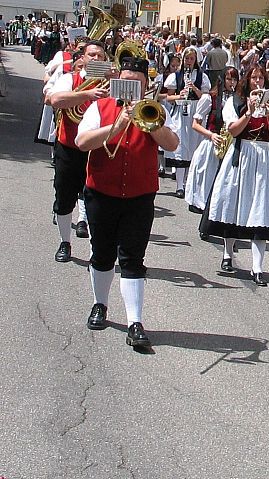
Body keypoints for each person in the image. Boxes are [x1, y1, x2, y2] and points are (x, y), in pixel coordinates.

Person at [75, 57, 179, 348]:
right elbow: (83, 143)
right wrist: (118, 125)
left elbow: (172, 144)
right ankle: (100, 304)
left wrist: (150, 124)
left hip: (139, 195)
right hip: (102, 193)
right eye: (126, 82)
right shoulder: (100, 107)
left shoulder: (155, 111)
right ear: (116, 82)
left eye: (137, 84)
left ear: (145, 86)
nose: (131, 88)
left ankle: (135, 321)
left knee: (133, 258)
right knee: (102, 253)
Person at [206, 65, 269, 286]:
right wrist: (249, 112)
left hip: (262, 158)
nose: (258, 81)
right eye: (254, 78)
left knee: (261, 209)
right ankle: (228, 253)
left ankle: (257, 267)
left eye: (261, 78)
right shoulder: (235, 102)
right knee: (234, 204)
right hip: (241, 154)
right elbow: (233, 131)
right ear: (247, 81)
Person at [48, 40, 111, 263]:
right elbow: (55, 99)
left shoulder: (111, 84)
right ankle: (65, 242)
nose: (96, 59)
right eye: (91, 55)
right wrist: (87, 95)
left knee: (99, 201)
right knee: (64, 197)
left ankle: (96, 249)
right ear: (82, 58)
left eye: (100, 56)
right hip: (69, 147)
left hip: (98, 149)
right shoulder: (70, 78)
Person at [185, 66, 239, 214]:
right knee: (207, 183)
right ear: (222, 80)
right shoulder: (209, 98)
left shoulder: (238, 100)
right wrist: (211, 135)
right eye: (229, 78)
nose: (232, 82)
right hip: (212, 144)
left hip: (230, 145)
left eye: (234, 79)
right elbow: (195, 124)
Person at [163, 47, 211, 197]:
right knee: (181, 147)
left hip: (194, 112)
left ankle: (190, 183)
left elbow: (205, 96)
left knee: (194, 146)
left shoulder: (202, 76)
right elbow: (167, 97)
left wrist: (194, 88)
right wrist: (179, 95)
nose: (189, 61)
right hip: (180, 112)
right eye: (186, 58)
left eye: (191, 59)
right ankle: (179, 186)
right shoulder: (176, 76)